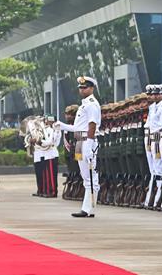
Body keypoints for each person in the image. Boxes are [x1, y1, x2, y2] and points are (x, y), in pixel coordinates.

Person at [56, 76, 102, 218]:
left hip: (87, 142)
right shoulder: (83, 105)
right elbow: (78, 127)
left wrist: (88, 143)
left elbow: (92, 125)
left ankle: (88, 209)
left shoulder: (92, 104)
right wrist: (61, 126)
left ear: (91, 88)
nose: (82, 90)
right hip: (80, 141)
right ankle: (87, 208)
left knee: (90, 176)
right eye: (81, 88)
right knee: (85, 176)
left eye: (85, 87)